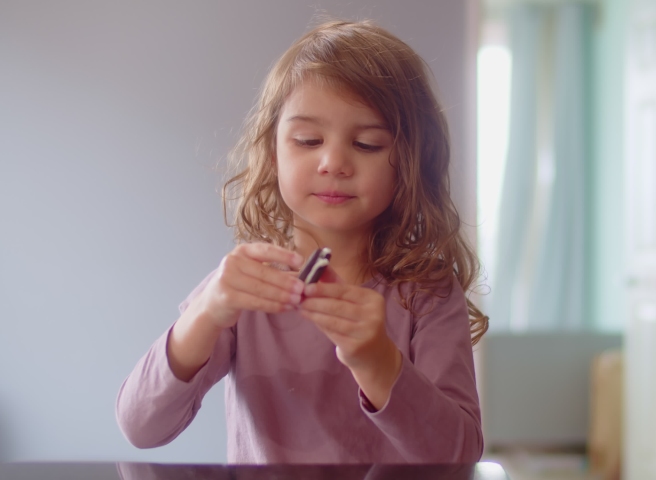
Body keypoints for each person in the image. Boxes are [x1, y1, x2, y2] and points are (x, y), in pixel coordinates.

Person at [115, 19, 488, 464]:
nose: (333, 162)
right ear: (274, 153)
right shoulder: (242, 288)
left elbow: (459, 457)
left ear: (409, 163)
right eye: (308, 140)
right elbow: (141, 427)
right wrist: (205, 313)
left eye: (367, 144)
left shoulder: (426, 295)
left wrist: (378, 362)